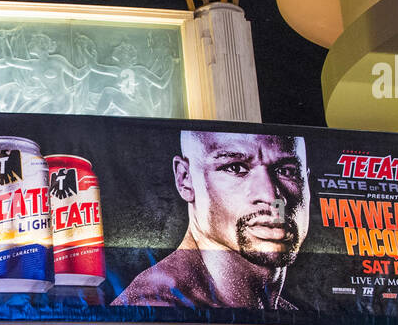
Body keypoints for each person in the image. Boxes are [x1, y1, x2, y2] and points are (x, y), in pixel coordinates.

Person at [115, 130, 309, 309]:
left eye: (287, 171)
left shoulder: (283, 312)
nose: (270, 197)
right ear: (185, 179)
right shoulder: (154, 309)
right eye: (235, 168)